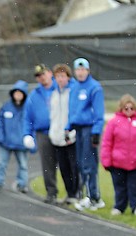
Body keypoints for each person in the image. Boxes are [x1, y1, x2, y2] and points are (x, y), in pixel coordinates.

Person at [101, 94, 136, 216]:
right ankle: (119, 207)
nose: (129, 111)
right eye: (126, 108)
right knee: (119, 187)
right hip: (118, 162)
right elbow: (107, 143)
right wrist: (106, 161)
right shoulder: (113, 123)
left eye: (131, 108)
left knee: (135, 187)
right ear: (121, 108)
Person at [69, 57, 106, 211]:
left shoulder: (94, 87)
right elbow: (72, 110)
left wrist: (96, 131)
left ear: (88, 70)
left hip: (89, 129)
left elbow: (99, 112)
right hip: (77, 129)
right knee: (80, 164)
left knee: (89, 164)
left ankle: (94, 197)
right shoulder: (74, 87)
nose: (81, 72)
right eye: (78, 69)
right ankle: (86, 195)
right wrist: (67, 127)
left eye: (83, 69)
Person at [22, 63, 58, 204]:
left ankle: (73, 192)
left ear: (49, 73)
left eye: (43, 74)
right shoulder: (34, 95)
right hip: (43, 132)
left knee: (68, 163)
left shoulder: (60, 88)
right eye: (38, 76)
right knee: (47, 164)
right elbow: (28, 117)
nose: (41, 77)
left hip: (60, 131)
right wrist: (27, 134)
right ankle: (51, 192)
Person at [0, 80, 33, 193]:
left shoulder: (28, 108)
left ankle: (22, 184)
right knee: (1, 164)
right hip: (6, 142)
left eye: (20, 93)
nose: (18, 95)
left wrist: (29, 139)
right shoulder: (6, 107)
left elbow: (31, 124)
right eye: (16, 93)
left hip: (21, 142)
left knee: (23, 165)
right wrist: (0, 137)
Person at [49, 63, 80, 205]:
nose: (60, 79)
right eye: (57, 77)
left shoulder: (72, 92)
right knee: (63, 167)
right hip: (57, 137)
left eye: (62, 76)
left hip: (70, 136)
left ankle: (76, 193)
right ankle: (69, 193)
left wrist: (70, 130)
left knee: (74, 166)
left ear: (68, 77)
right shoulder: (54, 94)